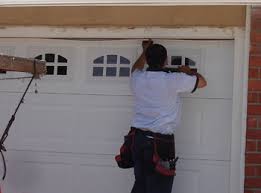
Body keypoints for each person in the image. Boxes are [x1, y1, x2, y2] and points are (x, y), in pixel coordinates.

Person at [130, 40, 207, 193]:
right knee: (160, 186)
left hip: (138, 139)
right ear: (165, 60)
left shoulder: (138, 78)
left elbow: (135, 68)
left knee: (141, 184)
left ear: (147, 58)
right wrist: (188, 71)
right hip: (160, 143)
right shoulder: (172, 79)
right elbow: (203, 83)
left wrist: (145, 50)